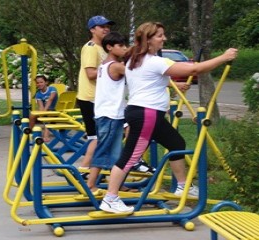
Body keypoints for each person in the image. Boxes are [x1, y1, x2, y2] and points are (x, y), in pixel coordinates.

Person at [99, 22, 238, 213]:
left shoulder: (134, 59)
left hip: (145, 113)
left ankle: (182, 186)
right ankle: (110, 198)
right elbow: (193, 70)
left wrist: (171, 86)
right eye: (159, 36)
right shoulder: (152, 61)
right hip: (146, 114)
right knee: (130, 156)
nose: (164, 38)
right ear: (148, 39)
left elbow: (149, 81)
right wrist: (223, 57)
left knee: (176, 143)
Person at [86, 31, 128, 193]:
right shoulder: (116, 66)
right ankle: (91, 183)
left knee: (116, 151)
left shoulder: (103, 65)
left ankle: (116, 184)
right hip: (110, 114)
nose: (125, 48)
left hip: (110, 114)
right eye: (121, 46)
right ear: (110, 47)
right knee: (104, 149)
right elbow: (137, 73)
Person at [76, 15, 115, 177]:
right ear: (92, 30)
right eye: (102, 26)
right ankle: (85, 170)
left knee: (99, 137)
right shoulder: (91, 47)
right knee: (98, 137)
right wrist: (114, 70)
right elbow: (91, 73)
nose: (106, 29)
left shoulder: (103, 48)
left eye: (108, 26)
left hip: (99, 98)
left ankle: (87, 170)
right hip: (91, 98)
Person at [29, 75, 58, 142]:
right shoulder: (38, 94)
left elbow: (50, 99)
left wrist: (45, 111)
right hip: (45, 110)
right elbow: (40, 106)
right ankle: (30, 131)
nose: (39, 84)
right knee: (32, 114)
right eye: (37, 83)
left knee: (48, 116)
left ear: (46, 82)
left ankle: (46, 136)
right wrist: (42, 112)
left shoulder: (52, 89)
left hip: (54, 109)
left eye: (41, 82)